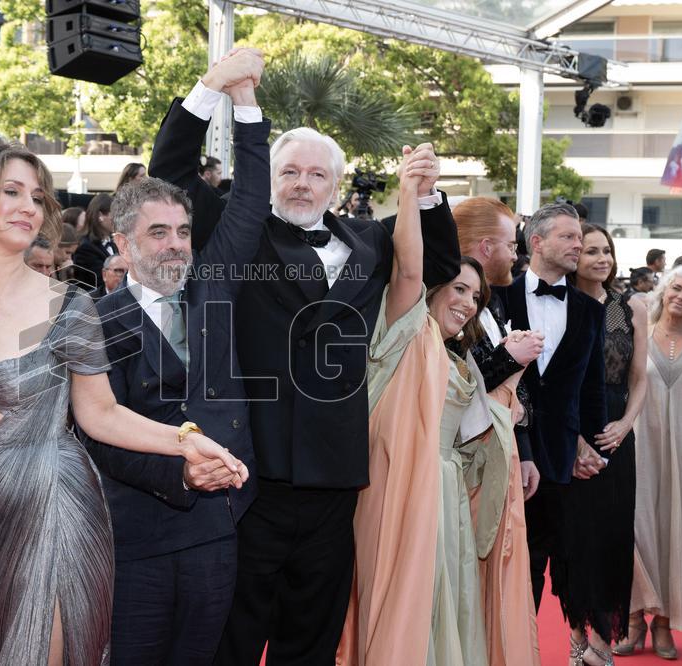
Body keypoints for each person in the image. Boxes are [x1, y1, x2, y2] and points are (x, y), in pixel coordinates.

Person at [150, 55, 462, 661]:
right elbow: (169, 171)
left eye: (316, 175)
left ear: (336, 188)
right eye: (289, 171)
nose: (301, 183)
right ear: (269, 178)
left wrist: (428, 195)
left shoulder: (371, 241)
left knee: (313, 636)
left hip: (335, 476)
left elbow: (441, 268)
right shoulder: (235, 232)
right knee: (233, 634)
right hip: (247, 473)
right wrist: (210, 88)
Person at [0, 138, 248, 666]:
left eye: (37, 196)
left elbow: (101, 413)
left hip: (56, 506)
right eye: (12, 191)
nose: (29, 205)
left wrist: (187, 442)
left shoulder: (70, 304)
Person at [79, 53, 268, 665]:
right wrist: (180, 472)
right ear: (124, 243)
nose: (176, 244)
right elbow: (98, 430)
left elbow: (250, 203)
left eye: (183, 231)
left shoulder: (215, 288)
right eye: (158, 233)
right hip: (138, 533)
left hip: (219, 527)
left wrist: (245, 104)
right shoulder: (95, 322)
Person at [337, 138, 491, 664]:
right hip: (392, 489)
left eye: (477, 297)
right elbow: (408, 268)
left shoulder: (456, 354)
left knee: (442, 607)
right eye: (460, 290)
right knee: (397, 606)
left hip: (444, 497)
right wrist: (412, 193)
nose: (469, 304)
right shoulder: (403, 327)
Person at [493, 202, 608, 664]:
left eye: (578, 237)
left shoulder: (589, 310)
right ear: (535, 242)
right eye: (567, 236)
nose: (577, 244)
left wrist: (595, 449)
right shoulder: (498, 297)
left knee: (548, 562)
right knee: (505, 564)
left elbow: (593, 388)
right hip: (500, 452)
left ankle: (533, 651)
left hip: (561, 460)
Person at [451, 196, 545, 665]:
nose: (516, 254)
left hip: (504, 460)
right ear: (486, 247)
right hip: (468, 470)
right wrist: (512, 357)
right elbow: (457, 387)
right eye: (511, 244)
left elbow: (515, 389)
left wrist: (525, 448)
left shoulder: (491, 305)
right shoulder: (449, 305)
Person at [557, 223, 649, 664]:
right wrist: (575, 442)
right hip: (569, 431)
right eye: (591, 251)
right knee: (574, 540)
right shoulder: (561, 304)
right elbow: (552, 384)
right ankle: (577, 640)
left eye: (606, 252)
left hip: (616, 436)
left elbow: (639, 378)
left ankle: (602, 646)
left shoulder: (631, 308)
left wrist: (626, 425)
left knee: (612, 538)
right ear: (576, 258)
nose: (601, 259)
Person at [621, 265, 682, 660]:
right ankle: (633, 620)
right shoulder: (639, 332)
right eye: (676, 288)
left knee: (674, 533)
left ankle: (664, 622)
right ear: (665, 289)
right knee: (636, 527)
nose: (681, 297)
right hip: (638, 446)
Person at [73, 192, 116, 291]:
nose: (118, 219)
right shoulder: (85, 248)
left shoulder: (113, 244)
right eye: (114, 214)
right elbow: (101, 282)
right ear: (100, 215)